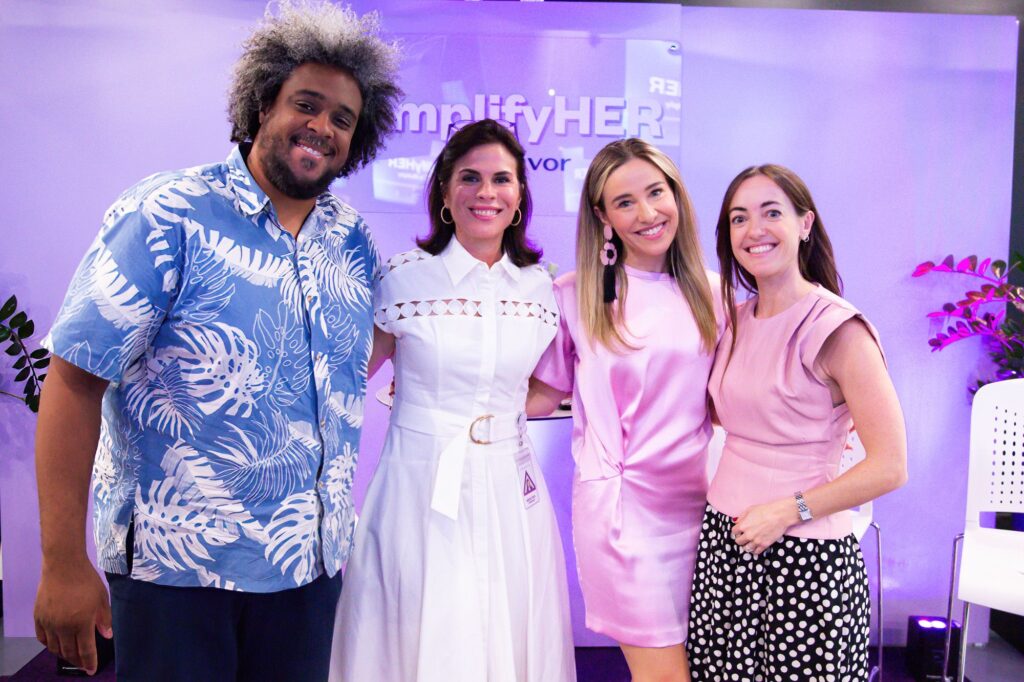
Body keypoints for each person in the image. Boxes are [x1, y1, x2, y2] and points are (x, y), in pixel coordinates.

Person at [32, 3, 402, 679]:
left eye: (342, 118)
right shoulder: (167, 213)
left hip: (306, 572)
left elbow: (343, 367)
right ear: (263, 103)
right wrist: (61, 563)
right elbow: (73, 378)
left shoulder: (352, 240)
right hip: (177, 575)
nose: (321, 128)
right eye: (306, 105)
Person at [329, 119, 576, 682]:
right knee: (421, 631)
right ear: (444, 191)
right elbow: (345, 384)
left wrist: (503, 417)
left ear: (519, 198)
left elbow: (547, 389)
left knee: (508, 629)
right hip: (417, 488)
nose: (485, 193)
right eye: (469, 178)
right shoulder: (402, 279)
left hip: (512, 491)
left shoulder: (541, 288)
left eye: (501, 180)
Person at [686, 164, 908, 681]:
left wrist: (788, 511)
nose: (753, 230)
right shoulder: (733, 319)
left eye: (771, 213)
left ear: (804, 224)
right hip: (725, 544)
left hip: (805, 560)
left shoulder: (839, 329)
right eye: (739, 218)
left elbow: (891, 467)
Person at [528, 138, 720, 682]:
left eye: (656, 193)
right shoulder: (575, 295)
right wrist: (442, 390)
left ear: (676, 195)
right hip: (622, 514)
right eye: (625, 202)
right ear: (603, 216)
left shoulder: (717, 294)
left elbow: (734, 402)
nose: (647, 213)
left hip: (707, 514)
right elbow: (542, 394)